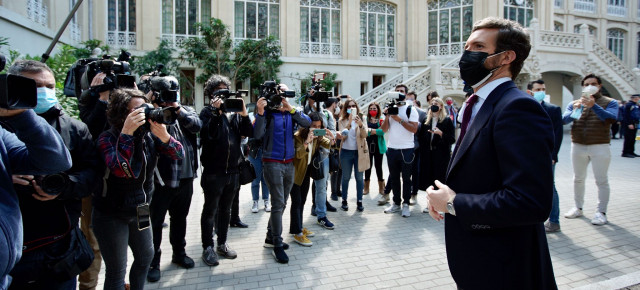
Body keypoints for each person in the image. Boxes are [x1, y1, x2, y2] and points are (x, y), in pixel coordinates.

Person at [425, 17, 557, 289]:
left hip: (506, 269)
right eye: (466, 46)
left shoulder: (518, 108)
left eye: (478, 47)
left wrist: (454, 203)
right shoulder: (478, 104)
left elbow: (530, 202)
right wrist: (442, 198)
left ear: (506, 57)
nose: (466, 54)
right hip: (479, 264)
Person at [94, 88, 183, 290]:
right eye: (138, 110)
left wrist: (166, 137)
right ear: (122, 113)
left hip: (141, 208)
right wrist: (126, 134)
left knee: (145, 258)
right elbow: (120, 168)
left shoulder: (148, 138)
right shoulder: (107, 138)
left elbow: (179, 154)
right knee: (117, 271)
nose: (146, 113)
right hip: (112, 214)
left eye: (147, 108)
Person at [0, 60, 74, 289]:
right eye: (35, 86)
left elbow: (57, 161)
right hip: (22, 253)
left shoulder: (9, 128)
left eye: (49, 87)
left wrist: (21, 115)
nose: (42, 92)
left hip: (56, 239)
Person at [146, 76, 202, 282]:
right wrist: (150, 104)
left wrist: (176, 109)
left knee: (180, 219)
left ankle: (179, 254)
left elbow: (197, 126)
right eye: (167, 93)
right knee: (155, 223)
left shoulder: (185, 111)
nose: (171, 97)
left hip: (186, 179)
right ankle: (153, 262)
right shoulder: (149, 113)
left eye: (174, 92)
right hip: (161, 181)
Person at [254, 84, 311, 264]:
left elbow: (307, 123)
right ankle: (277, 243)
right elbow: (256, 134)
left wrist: (291, 109)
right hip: (272, 162)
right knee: (278, 203)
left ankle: (270, 238)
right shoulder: (268, 113)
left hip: (289, 163)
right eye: (280, 93)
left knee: (282, 202)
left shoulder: (291, 112)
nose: (283, 97)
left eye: (285, 94)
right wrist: (261, 112)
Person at [199, 75, 253, 266]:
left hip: (233, 171)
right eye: (218, 92)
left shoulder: (235, 113)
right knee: (210, 210)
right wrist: (216, 112)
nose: (222, 96)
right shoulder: (206, 113)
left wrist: (244, 111)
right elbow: (208, 135)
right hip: (214, 172)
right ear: (211, 94)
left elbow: (249, 132)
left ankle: (222, 243)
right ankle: (208, 247)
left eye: (225, 91)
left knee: (226, 210)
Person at [562, 73, 618, 225]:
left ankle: (601, 212)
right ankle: (578, 207)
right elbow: (563, 120)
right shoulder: (575, 103)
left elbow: (611, 119)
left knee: (601, 180)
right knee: (578, 178)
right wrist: (575, 109)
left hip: (600, 145)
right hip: (578, 144)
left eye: (593, 83)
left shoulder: (610, 102)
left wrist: (595, 106)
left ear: (599, 86)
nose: (589, 87)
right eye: (586, 84)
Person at [290, 112, 334, 245]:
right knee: (296, 202)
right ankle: (297, 233)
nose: (316, 128)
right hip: (295, 174)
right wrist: (307, 142)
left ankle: (298, 228)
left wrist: (331, 136)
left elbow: (330, 144)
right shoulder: (298, 136)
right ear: (307, 125)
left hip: (305, 174)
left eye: (319, 126)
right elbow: (297, 155)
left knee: (302, 201)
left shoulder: (318, 137)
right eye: (313, 126)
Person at [527, 79, 564, 233]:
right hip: (528, 155)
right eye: (538, 89)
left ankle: (554, 221)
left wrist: (553, 154)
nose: (541, 91)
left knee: (550, 187)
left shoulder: (553, 109)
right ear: (530, 92)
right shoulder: (524, 108)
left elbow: (558, 134)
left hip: (547, 156)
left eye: (543, 88)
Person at [381, 86, 419, 217]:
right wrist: (387, 116)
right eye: (397, 91)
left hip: (407, 149)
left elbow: (414, 129)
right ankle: (396, 203)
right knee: (394, 178)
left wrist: (400, 120)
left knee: (406, 179)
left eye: (401, 91)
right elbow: (383, 130)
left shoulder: (410, 109)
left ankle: (406, 204)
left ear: (406, 94)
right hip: (392, 148)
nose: (399, 94)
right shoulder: (390, 108)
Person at [415, 97, 455, 214]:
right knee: (429, 180)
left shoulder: (447, 121)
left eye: (436, 103)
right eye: (432, 103)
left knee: (440, 180)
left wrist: (440, 133)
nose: (433, 105)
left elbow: (452, 139)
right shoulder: (426, 121)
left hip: (441, 156)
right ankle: (430, 204)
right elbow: (421, 138)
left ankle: (442, 205)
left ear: (441, 106)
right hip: (428, 155)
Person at [303, 94, 338, 218]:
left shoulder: (327, 114)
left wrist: (328, 134)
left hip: (322, 154)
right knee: (304, 189)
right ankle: (314, 207)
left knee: (322, 185)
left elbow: (332, 138)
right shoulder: (306, 111)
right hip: (306, 155)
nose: (317, 128)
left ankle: (321, 212)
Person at [337, 98, 370, 212]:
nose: (352, 108)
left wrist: (360, 125)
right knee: (345, 177)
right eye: (349, 106)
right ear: (346, 109)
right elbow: (343, 136)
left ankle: (359, 201)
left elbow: (365, 135)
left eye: (353, 106)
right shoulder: (341, 120)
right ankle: (344, 200)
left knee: (359, 178)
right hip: (346, 152)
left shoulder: (362, 118)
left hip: (359, 153)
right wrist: (349, 123)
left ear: (356, 107)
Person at [405, 91, 427, 205]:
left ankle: (414, 194)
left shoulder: (422, 113)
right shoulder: (400, 112)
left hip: (416, 147)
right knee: (404, 173)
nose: (408, 100)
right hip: (403, 146)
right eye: (406, 98)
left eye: (411, 99)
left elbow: (422, 133)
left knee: (415, 172)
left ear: (414, 100)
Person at [364, 102, 386, 195]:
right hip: (368, 145)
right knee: (368, 166)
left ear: (378, 110)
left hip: (378, 146)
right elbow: (364, 132)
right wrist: (375, 131)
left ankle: (381, 186)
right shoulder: (366, 119)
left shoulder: (381, 119)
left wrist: (371, 131)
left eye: (374, 109)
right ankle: (366, 187)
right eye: (371, 109)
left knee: (378, 166)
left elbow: (382, 132)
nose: (372, 110)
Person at [248, 135, 270, 213]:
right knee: (255, 179)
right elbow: (248, 140)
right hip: (255, 154)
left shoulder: (269, 123)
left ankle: (266, 201)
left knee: (266, 179)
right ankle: (255, 201)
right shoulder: (254, 124)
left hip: (267, 153)